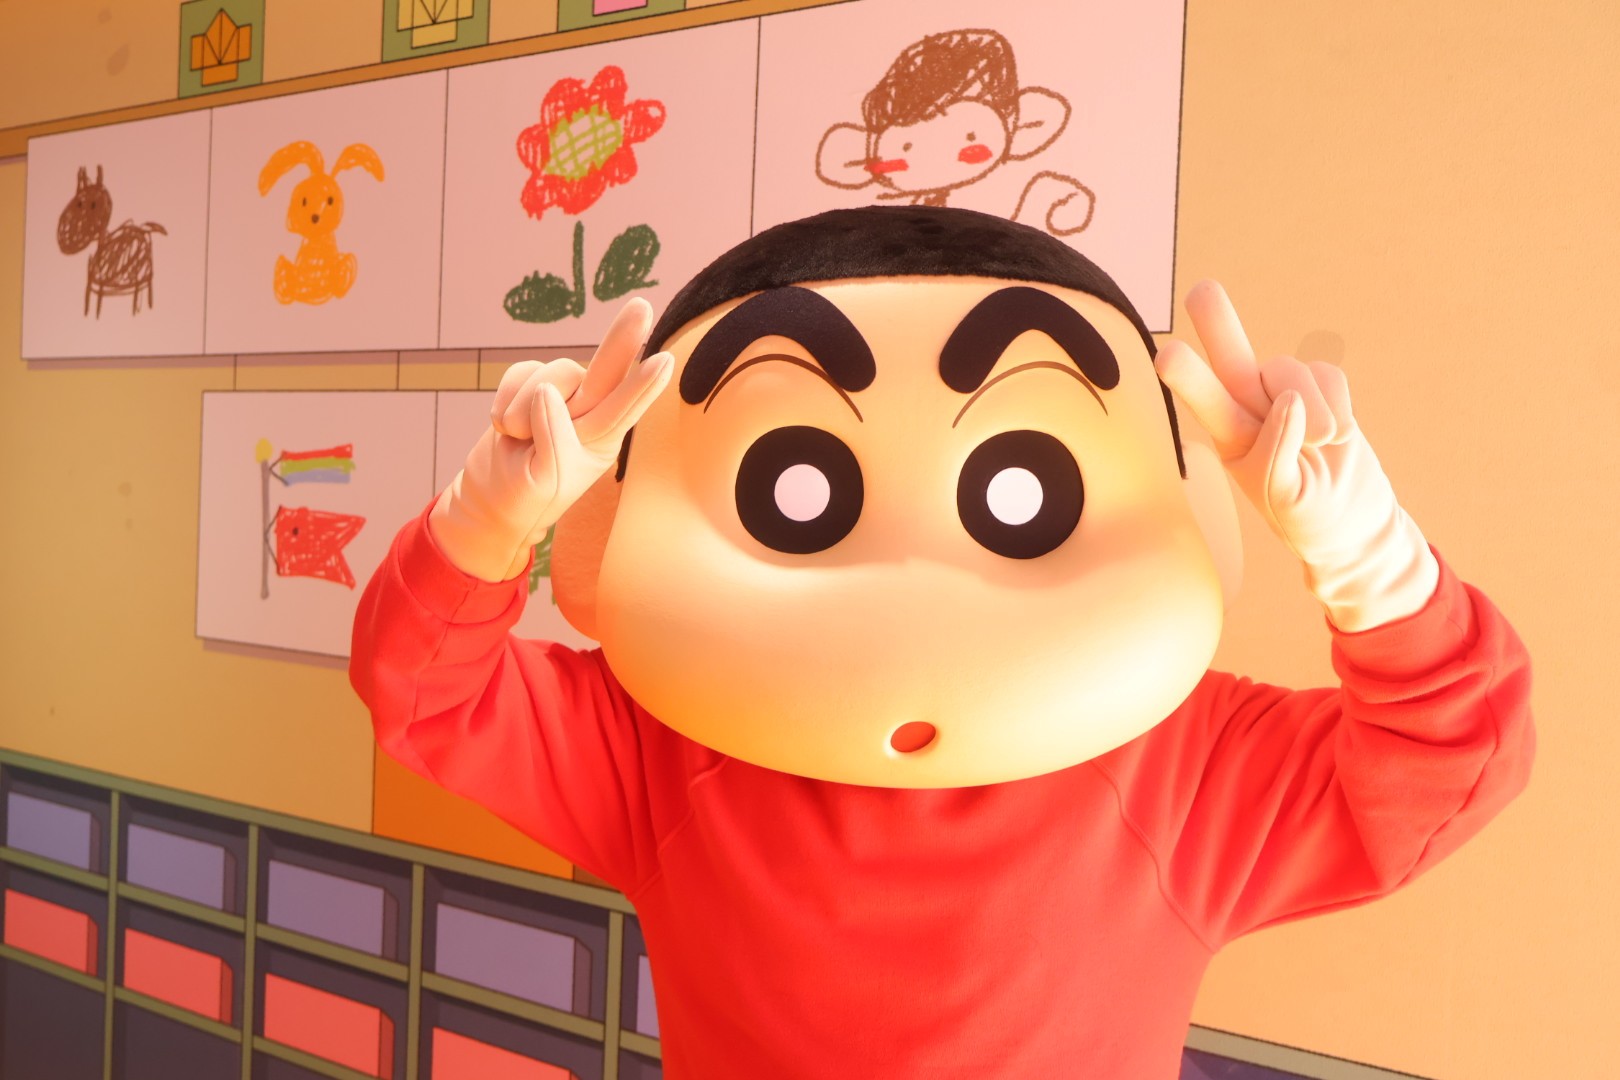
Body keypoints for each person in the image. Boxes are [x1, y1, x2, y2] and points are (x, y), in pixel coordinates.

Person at [351, 207, 1533, 1079]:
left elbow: (1442, 770)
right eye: (791, 484)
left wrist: (1367, 551)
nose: (912, 575)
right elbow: (425, 695)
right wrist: (489, 515)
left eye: (1028, 486)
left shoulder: (1191, 764)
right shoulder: (659, 744)